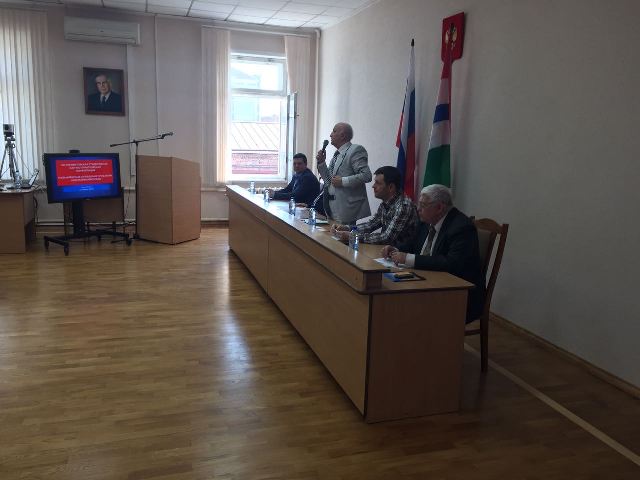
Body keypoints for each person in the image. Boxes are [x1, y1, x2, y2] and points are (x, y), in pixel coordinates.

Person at [381, 184, 485, 322]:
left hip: (458, 294)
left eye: (423, 205)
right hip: (428, 281)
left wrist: (408, 258)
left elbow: (451, 263)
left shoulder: (461, 227)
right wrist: (395, 249)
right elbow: (412, 245)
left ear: (439, 208)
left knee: (404, 307)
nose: (418, 209)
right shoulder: (427, 221)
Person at [332, 166, 418, 245]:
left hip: (401, 253)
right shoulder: (386, 203)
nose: (373, 186)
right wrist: (347, 228)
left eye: (378, 183)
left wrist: (353, 236)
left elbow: (387, 238)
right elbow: (371, 225)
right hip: (388, 251)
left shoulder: (403, 206)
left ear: (391, 187)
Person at [316, 122, 372, 225]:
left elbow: (366, 175)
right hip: (330, 206)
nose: (330, 135)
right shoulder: (337, 154)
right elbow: (328, 181)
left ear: (342, 135)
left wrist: (343, 181)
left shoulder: (355, 150)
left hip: (346, 208)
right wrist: (322, 162)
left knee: (342, 235)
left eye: (334, 131)